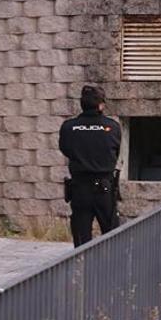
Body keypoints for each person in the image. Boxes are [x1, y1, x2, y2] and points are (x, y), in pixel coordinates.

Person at [58, 85, 121, 247]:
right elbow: (115, 151)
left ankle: (83, 270)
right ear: (101, 105)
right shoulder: (112, 126)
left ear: (81, 104)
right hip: (105, 189)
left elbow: (65, 150)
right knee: (113, 238)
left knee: (81, 241)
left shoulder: (69, 127)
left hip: (80, 189)